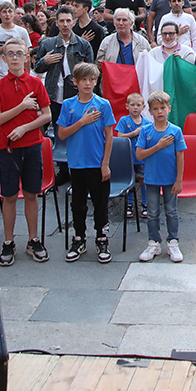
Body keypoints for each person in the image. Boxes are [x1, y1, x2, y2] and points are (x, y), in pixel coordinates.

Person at [0, 38, 52, 266]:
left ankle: (33, 239)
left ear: (27, 57)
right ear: (4, 59)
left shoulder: (35, 84)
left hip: (32, 145)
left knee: (32, 194)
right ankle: (8, 241)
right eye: (11, 54)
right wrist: (22, 107)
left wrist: (25, 127)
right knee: (10, 196)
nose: (15, 58)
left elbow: (46, 115)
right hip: (8, 149)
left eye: (19, 54)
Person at [57, 62, 116, 263]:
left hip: (97, 163)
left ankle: (101, 238)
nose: (88, 83)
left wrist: (105, 163)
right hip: (76, 163)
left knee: (100, 204)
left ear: (96, 81)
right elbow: (62, 134)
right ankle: (79, 238)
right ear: (75, 82)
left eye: (92, 80)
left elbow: (109, 136)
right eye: (83, 80)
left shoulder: (103, 105)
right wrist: (81, 122)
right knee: (78, 204)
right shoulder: (68, 105)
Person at [135, 90, 187, 262]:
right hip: (151, 179)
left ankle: (173, 242)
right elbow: (139, 155)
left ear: (169, 108)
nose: (159, 112)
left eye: (162, 108)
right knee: (152, 212)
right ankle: (153, 243)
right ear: (149, 111)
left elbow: (180, 156)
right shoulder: (145, 131)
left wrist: (179, 179)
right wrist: (158, 146)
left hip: (170, 179)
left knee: (171, 212)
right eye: (155, 108)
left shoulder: (176, 131)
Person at [34, 4, 95, 124]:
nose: (65, 24)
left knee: (76, 128)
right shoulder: (47, 44)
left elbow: (91, 71)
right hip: (53, 95)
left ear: (74, 22)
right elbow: (37, 68)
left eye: (68, 21)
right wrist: (45, 61)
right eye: (61, 21)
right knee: (57, 130)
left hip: (77, 94)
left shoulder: (83, 44)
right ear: (56, 23)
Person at [0, 2, 32, 80]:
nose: (7, 14)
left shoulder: (22, 31)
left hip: (19, 74)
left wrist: (27, 75)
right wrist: (4, 47)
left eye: (10, 11)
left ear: (14, 14)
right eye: (4, 12)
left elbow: (27, 55)